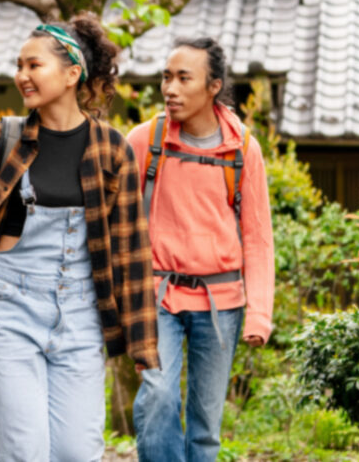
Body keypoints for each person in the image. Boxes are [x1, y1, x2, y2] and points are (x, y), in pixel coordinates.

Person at [0, 16, 159, 462]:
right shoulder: (2, 140)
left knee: (79, 453)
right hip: (8, 308)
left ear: (72, 73)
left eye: (33, 65)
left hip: (81, 316)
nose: (22, 75)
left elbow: (132, 253)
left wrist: (142, 341)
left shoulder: (112, 149)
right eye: (19, 65)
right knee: (27, 451)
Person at [129, 37, 274, 462]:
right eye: (166, 77)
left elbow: (259, 237)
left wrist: (260, 313)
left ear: (213, 86)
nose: (169, 88)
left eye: (183, 78)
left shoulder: (244, 149)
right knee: (157, 397)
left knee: (206, 427)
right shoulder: (144, 140)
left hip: (222, 301)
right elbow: (117, 221)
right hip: (157, 295)